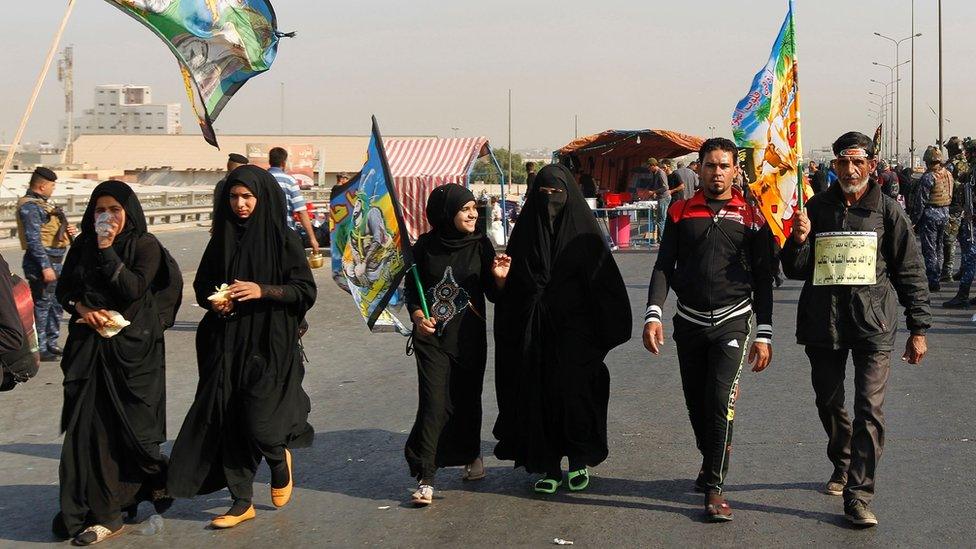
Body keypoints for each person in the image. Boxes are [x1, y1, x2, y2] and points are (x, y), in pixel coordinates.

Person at [781, 131, 930, 527]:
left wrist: (919, 327)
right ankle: (843, 460)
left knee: (870, 410)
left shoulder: (886, 210)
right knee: (829, 402)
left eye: (857, 162)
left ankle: (859, 495)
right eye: (843, 163)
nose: (850, 170)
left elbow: (910, 268)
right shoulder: (816, 207)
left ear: (870, 165)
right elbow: (795, 269)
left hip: (874, 325)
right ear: (834, 166)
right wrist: (797, 240)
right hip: (823, 324)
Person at [168, 165, 316, 529]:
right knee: (229, 417)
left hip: (270, 343)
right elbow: (204, 285)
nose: (240, 204)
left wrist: (262, 290)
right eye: (233, 197)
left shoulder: (284, 239)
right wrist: (214, 300)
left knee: (260, 421)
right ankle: (241, 500)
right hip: (226, 341)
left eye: (247, 197)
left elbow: (304, 291)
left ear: (262, 198)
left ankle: (278, 460)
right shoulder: (221, 239)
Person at [642, 137, 774, 522]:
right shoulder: (681, 212)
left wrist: (763, 332)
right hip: (689, 322)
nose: (717, 173)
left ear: (736, 170)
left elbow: (764, 278)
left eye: (724, 166)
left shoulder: (753, 214)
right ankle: (713, 453)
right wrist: (653, 314)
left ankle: (715, 489)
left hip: (734, 320)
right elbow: (665, 265)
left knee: (720, 401)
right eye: (710, 165)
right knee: (697, 404)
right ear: (698, 168)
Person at [52, 181, 179, 544]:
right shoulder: (81, 245)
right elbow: (65, 290)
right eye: (99, 211)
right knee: (86, 434)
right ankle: (99, 513)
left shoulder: (144, 245)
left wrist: (108, 249)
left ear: (129, 212)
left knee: (128, 435)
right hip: (87, 353)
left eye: (114, 210)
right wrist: (82, 309)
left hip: (131, 356)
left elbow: (133, 290)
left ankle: (150, 481)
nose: (106, 218)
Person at [493, 164, 631, 495]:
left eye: (556, 194)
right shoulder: (525, 235)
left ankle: (579, 460)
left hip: (576, 335)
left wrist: (602, 332)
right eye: (543, 195)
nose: (550, 201)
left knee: (576, 394)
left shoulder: (585, 237)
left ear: (568, 196)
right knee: (539, 398)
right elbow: (509, 293)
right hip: (535, 336)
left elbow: (605, 286)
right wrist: (501, 282)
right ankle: (549, 464)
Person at [402, 184, 509, 506]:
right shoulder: (423, 247)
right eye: (465, 209)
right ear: (446, 213)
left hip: (469, 338)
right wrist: (419, 316)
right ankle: (427, 477)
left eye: (474, 207)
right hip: (431, 338)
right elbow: (411, 290)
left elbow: (493, 293)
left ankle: (471, 453)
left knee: (466, 398)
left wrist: (500, 277)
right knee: (434, 404)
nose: (473, 213)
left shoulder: (481, 245)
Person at [16, 167, 77, 361]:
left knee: (56, 304)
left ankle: (51, 343)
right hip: (43, 264)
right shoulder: (30, 207)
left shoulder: (43, 205)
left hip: (56, 262)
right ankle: (39, 347)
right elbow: (33, 240)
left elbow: (51, 233)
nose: (53, 188)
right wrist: (45, 267)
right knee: (42, 305)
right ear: (42, 186)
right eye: (51, 185)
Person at [908, 146, 953, 291]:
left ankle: (933, 280)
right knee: (939, 247)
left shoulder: (928, 177)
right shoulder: (948, 174)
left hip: (931, 216)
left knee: (929, 249)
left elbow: (920, 201)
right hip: (945, 214)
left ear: (927, 161)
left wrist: (914, 221)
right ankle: (937, 275)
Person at [268, 147, 320, 254]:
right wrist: (312, 238)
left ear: (270, 161)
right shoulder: (289, 181)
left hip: (264, 234)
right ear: (284, 163)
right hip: (286, 234)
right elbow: (301, 211)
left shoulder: (260, 179)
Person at [943, 139, 976, 307]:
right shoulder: (969, 169)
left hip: (968, 216)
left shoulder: (971, 170)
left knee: (970, 257)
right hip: (966, 213)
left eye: (969, 153)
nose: (966, 156)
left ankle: (963, 295)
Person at [212, 153, 250, 230]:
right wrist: (215, 225)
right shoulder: (223, 184)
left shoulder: (243, 183)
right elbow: (217, 206)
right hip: (227, 225)